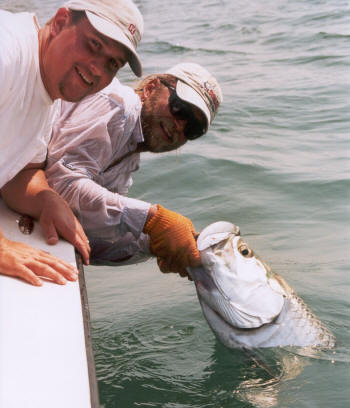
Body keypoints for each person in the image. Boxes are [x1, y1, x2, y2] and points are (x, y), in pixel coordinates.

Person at [0, 0, 144, 286]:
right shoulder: (8, 50)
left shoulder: (48, 94)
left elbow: (22, 171)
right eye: (94, 45)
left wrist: (46, 199)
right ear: (60, 21)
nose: (98, 71)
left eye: (112, 64)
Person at [46, 62, 223, 277]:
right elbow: (58, 184)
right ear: (151, 88)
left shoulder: (129, 161)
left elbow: (88, 234)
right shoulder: (119, 106)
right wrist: (151, 219)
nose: (180, 126)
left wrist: (154, 243)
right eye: (180, 109)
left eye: (193, 128)